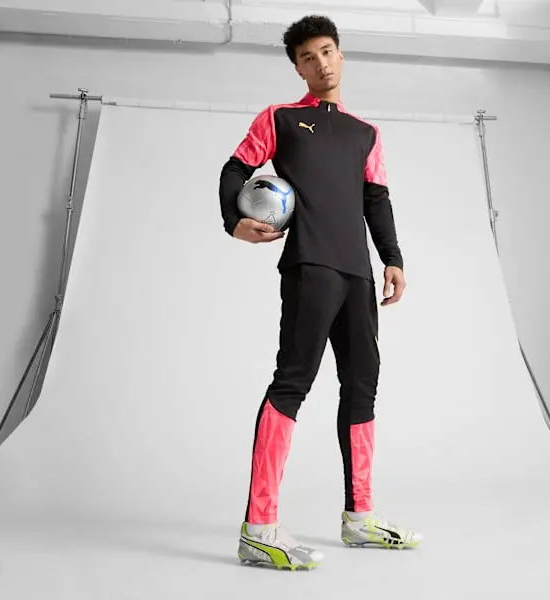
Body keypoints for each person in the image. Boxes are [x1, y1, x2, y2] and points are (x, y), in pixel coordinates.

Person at [218, 14, 423, 570]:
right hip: (310, 265)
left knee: (362, 387)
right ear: (298, 68)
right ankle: (259, 528)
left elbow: (376, 199)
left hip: (358, 273)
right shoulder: (280, 118)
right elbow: (235, 170)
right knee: (293, 382)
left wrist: (393, 259)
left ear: (340, 54)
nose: (321, 63)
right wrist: (233, 221)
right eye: (308, 57)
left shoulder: (365, 133)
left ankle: (361, 517)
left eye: (327, 51)